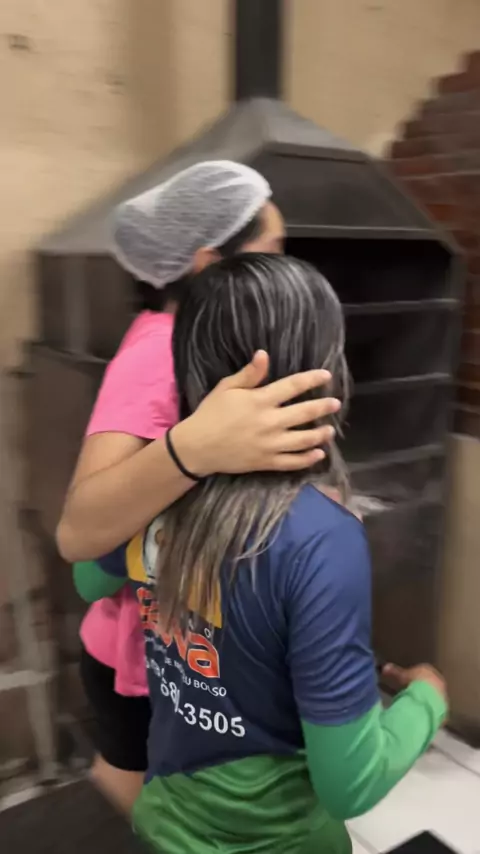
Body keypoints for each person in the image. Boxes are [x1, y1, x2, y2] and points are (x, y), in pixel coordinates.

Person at [90, 254, 448, 853]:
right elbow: (350, 784)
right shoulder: (320, 537)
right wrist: (427, 700)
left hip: (164, 824)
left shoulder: (153, 491)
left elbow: (89, 579)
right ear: (321, 373)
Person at [65, 162, 340, 815]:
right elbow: (80, 534)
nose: (284, 269)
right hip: (137, 662)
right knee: (142, 809)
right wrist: (195, 449)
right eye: (272, 251)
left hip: (170, 650)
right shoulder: (159, 356)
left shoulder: (187, 343)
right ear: (210, 264)